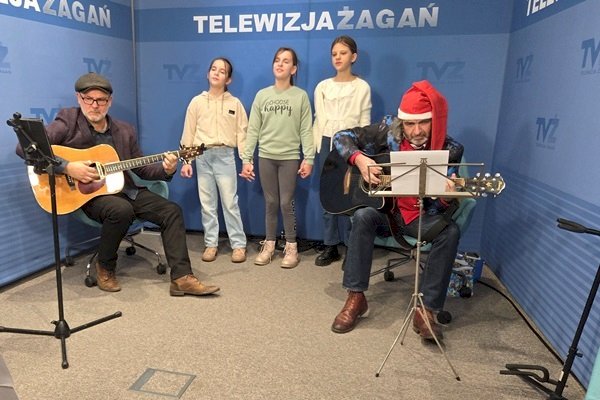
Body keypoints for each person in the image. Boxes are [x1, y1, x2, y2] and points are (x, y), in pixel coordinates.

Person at [17, 72, 220, 296]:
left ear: (109, 101)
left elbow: (142, 169)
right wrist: (67, 167)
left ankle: (182, 278)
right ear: (79, 98)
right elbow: (27, 149)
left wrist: (167, 169)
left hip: (126, 190)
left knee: (171, 210)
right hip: (90, 197)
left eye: (101, 100)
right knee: (121, 210)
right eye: (89, 99)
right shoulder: (68, 121)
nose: (95, 105)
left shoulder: (124, 130)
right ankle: (105, 267)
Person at [330, 80, 463, 339]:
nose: (416, 131)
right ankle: (356, 297)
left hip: (418, 216)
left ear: (434, 120)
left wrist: (445, 197)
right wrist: (360, 159)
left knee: (451, 232)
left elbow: (439, 206)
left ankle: (427, 309)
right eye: (410, 124)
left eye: (423, 123)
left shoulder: (450, 149)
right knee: (362, 216)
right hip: (385, 213)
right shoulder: (387, 130)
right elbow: (340, 137)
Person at [239, 47, 314, 268]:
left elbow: (306, 129)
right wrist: (247, 159)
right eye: (277, 60)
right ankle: (269, 245)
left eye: (286, 61)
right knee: (271, 202)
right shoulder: (262, 95)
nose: (280, 64)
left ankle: (291, 247)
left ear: (294, 69)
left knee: (286, 202)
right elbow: (253, 129)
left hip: (289, 157)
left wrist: (308, 158)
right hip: (266, 157)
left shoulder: (300, 96)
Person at [179, 57, 248, 264]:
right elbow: (189, 132)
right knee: (207, 204)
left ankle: (238, 245)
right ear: (207, 74)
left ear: (229, 79)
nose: (217, 73)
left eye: (222, 71)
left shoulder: (235, 104)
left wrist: (246, 160)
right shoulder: (197, 102)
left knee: (230, 202)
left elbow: (242, 134)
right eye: (213, 69)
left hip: (225, 156)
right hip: (202, 156)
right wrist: (187, 162)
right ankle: (211, 244)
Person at [313, 35, 371, 267]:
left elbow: (365, 122)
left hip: (351, 146)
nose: (338, 57)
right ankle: (330, 245)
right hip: (326, 143)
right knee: (327, 195)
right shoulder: (323, 87)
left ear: (353, 57)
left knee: (351, 196)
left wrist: (361, 151)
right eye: (334, 54)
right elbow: (318, 121)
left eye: (343, 53)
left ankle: (351, 247)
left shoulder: (362, 87)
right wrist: (316, 149)